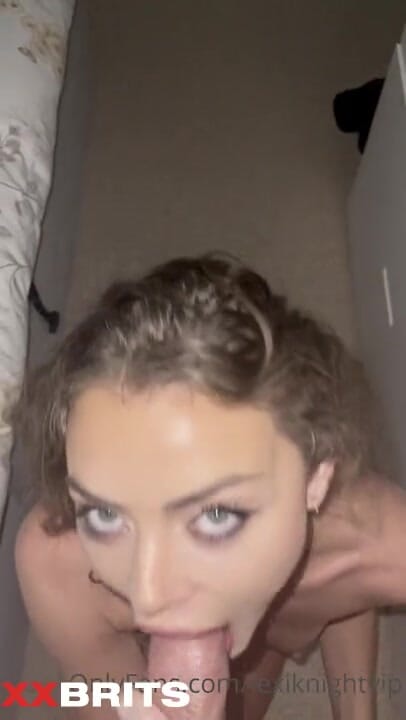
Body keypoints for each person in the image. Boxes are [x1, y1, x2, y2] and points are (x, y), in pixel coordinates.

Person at [12, 251, 406, 720]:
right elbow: (98, 694)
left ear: (316, 479)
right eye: (105, 514)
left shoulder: (384, 547)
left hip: (313, 583)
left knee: (334, 584)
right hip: (267, 607)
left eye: (216, 515)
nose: (148, 596)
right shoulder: (56, 564)